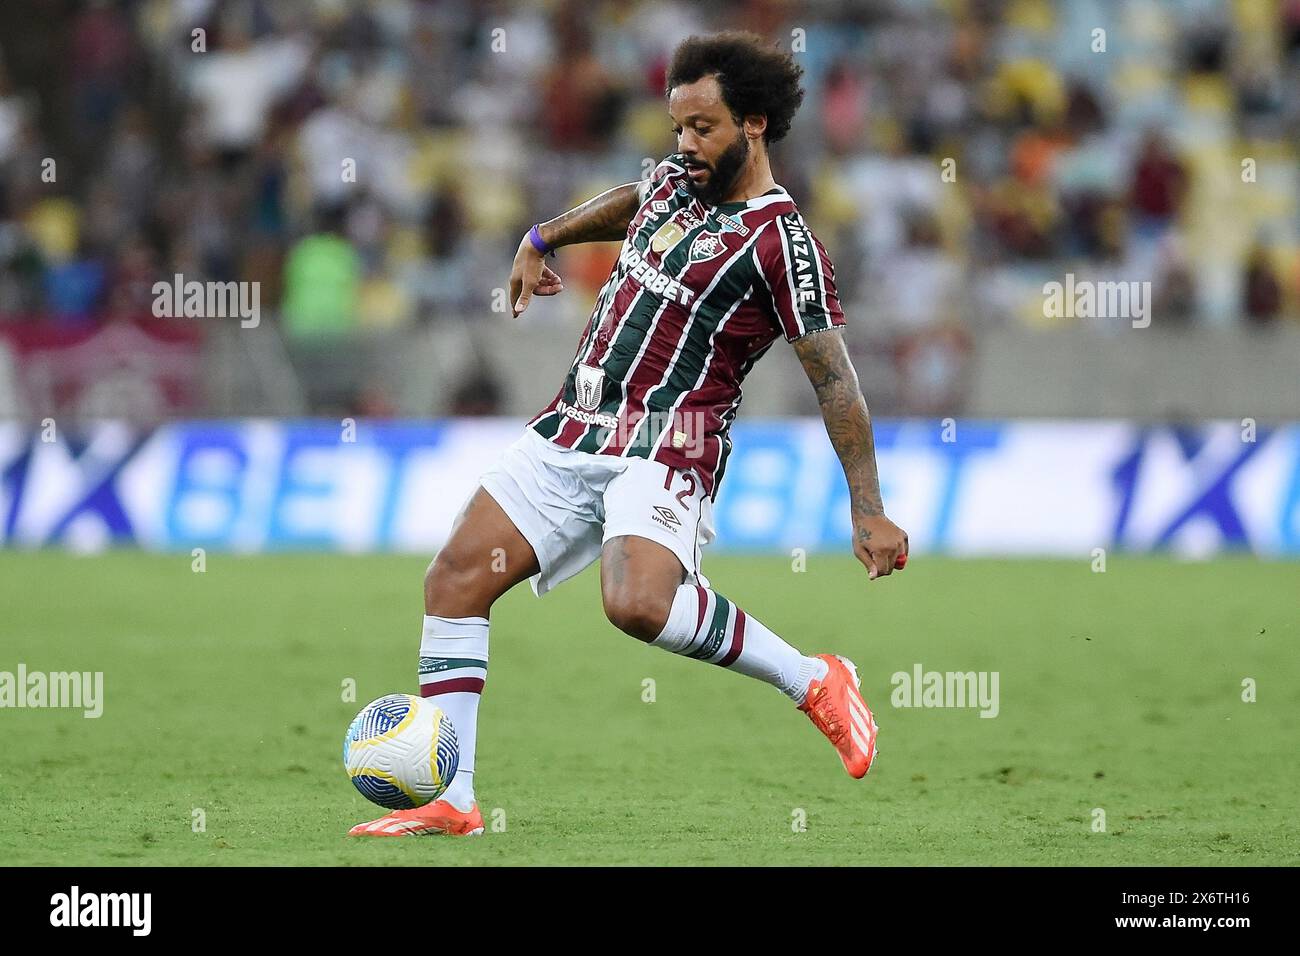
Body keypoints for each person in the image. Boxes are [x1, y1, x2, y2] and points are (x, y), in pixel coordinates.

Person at [350, 32, 908, 838]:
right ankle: (456, 797)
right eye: (677, 125)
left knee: (639, 605)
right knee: (455, 580)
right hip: (574, 425)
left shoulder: (784, 245)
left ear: (754, 124)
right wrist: (542, 237)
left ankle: (814, 678)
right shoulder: (677, 180)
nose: (684, 144)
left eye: (702, 128)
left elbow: (836, 380)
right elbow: (633, 196)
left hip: (668, 442)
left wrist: (868, 508)